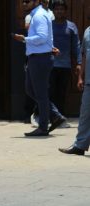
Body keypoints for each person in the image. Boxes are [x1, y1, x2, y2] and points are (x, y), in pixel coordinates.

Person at [13, 0, 66, 136]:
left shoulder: (39, 15)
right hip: (36, 57)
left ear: (36, 1)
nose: (24, 4)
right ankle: (55, 115)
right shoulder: (36, 14)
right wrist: (50, 46)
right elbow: (47, 37)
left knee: (40, 93)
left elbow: (42, 37)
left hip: (40, 58)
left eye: (27, 1)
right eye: (23, 2)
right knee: (31, 90)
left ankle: (43, 127)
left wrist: (25, 39)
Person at [58, 26, 90, 156]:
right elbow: (83, 55)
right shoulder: (88, 31)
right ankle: (80, 145)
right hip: (89, 81)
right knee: (85, 115)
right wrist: (80, 76)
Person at [49, 0, 81, 128]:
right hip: (50, 65)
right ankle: (50, 118)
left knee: (62, 93)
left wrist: (79, 62)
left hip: (65, 65)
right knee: (50, 92)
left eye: (62, 9)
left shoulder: (71, 26)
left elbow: (76, 46)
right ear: (53, 11)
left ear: (65, 11)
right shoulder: (49, 25)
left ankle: (61, 118)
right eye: (57, 9)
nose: (59, 11)